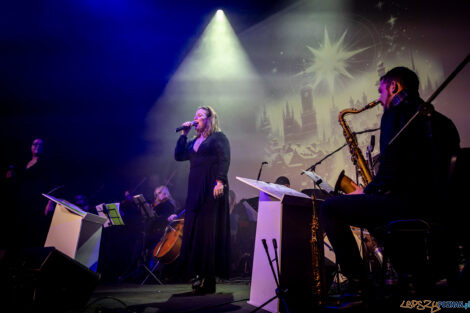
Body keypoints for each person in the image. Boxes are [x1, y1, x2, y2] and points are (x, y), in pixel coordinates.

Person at [319, 67, 460, 295]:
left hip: (406, 204)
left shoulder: (396, 113)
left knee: (330, 209)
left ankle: (362, 283)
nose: (379, 98)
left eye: (381, 90)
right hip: (438, 208)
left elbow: (391, 173)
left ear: (394, 87)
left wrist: (366, 191)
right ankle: (410, 271)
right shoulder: (444, 122)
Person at [169, 106, 231, 294]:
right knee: (194, 232)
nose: (195, 118)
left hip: (211, 189)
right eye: (194, 115)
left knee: (208, 233)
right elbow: (179, 156)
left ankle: (209, 279)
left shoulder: (218, 138)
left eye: (200, 116)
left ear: (210, 119)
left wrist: (220, 181)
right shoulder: (194, 141)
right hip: (195, 190)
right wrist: (183, 135)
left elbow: (224, 158)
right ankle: (197, 273)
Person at [5, 138, 58, 249]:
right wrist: (11, 177)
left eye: (40, 144)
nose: (37, 145)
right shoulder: (25, 163)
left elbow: (53, 183)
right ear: (30, 146)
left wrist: (50, 202)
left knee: (34, 230)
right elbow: (21, 183)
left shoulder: (46, 163)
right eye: (35, 143)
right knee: (21, 228)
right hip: (23, 201)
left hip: (38, 202)